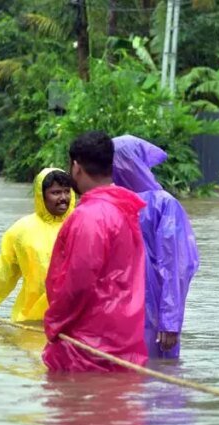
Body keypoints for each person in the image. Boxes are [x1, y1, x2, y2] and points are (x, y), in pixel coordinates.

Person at [43, 131, 147, 372]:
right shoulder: (125, 209)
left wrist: (54, 323)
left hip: (86, 347)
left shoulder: (89, 216)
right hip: (124, 342)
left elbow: (78, 283)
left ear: (76, 167)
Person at [112, 135, 200, 359]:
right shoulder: (110, 202)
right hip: (118, 313)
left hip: (151, 314)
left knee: (152, 377)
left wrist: (169, 321)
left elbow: (175, 264)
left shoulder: (163, 204)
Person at [0, 168, 76, 323]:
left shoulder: (81, 224)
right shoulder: (22, 230)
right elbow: (5, 269)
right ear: (42, 196)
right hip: (33, 318)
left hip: (75, 319)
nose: (63, 198)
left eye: (67, 191)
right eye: (56, 193)